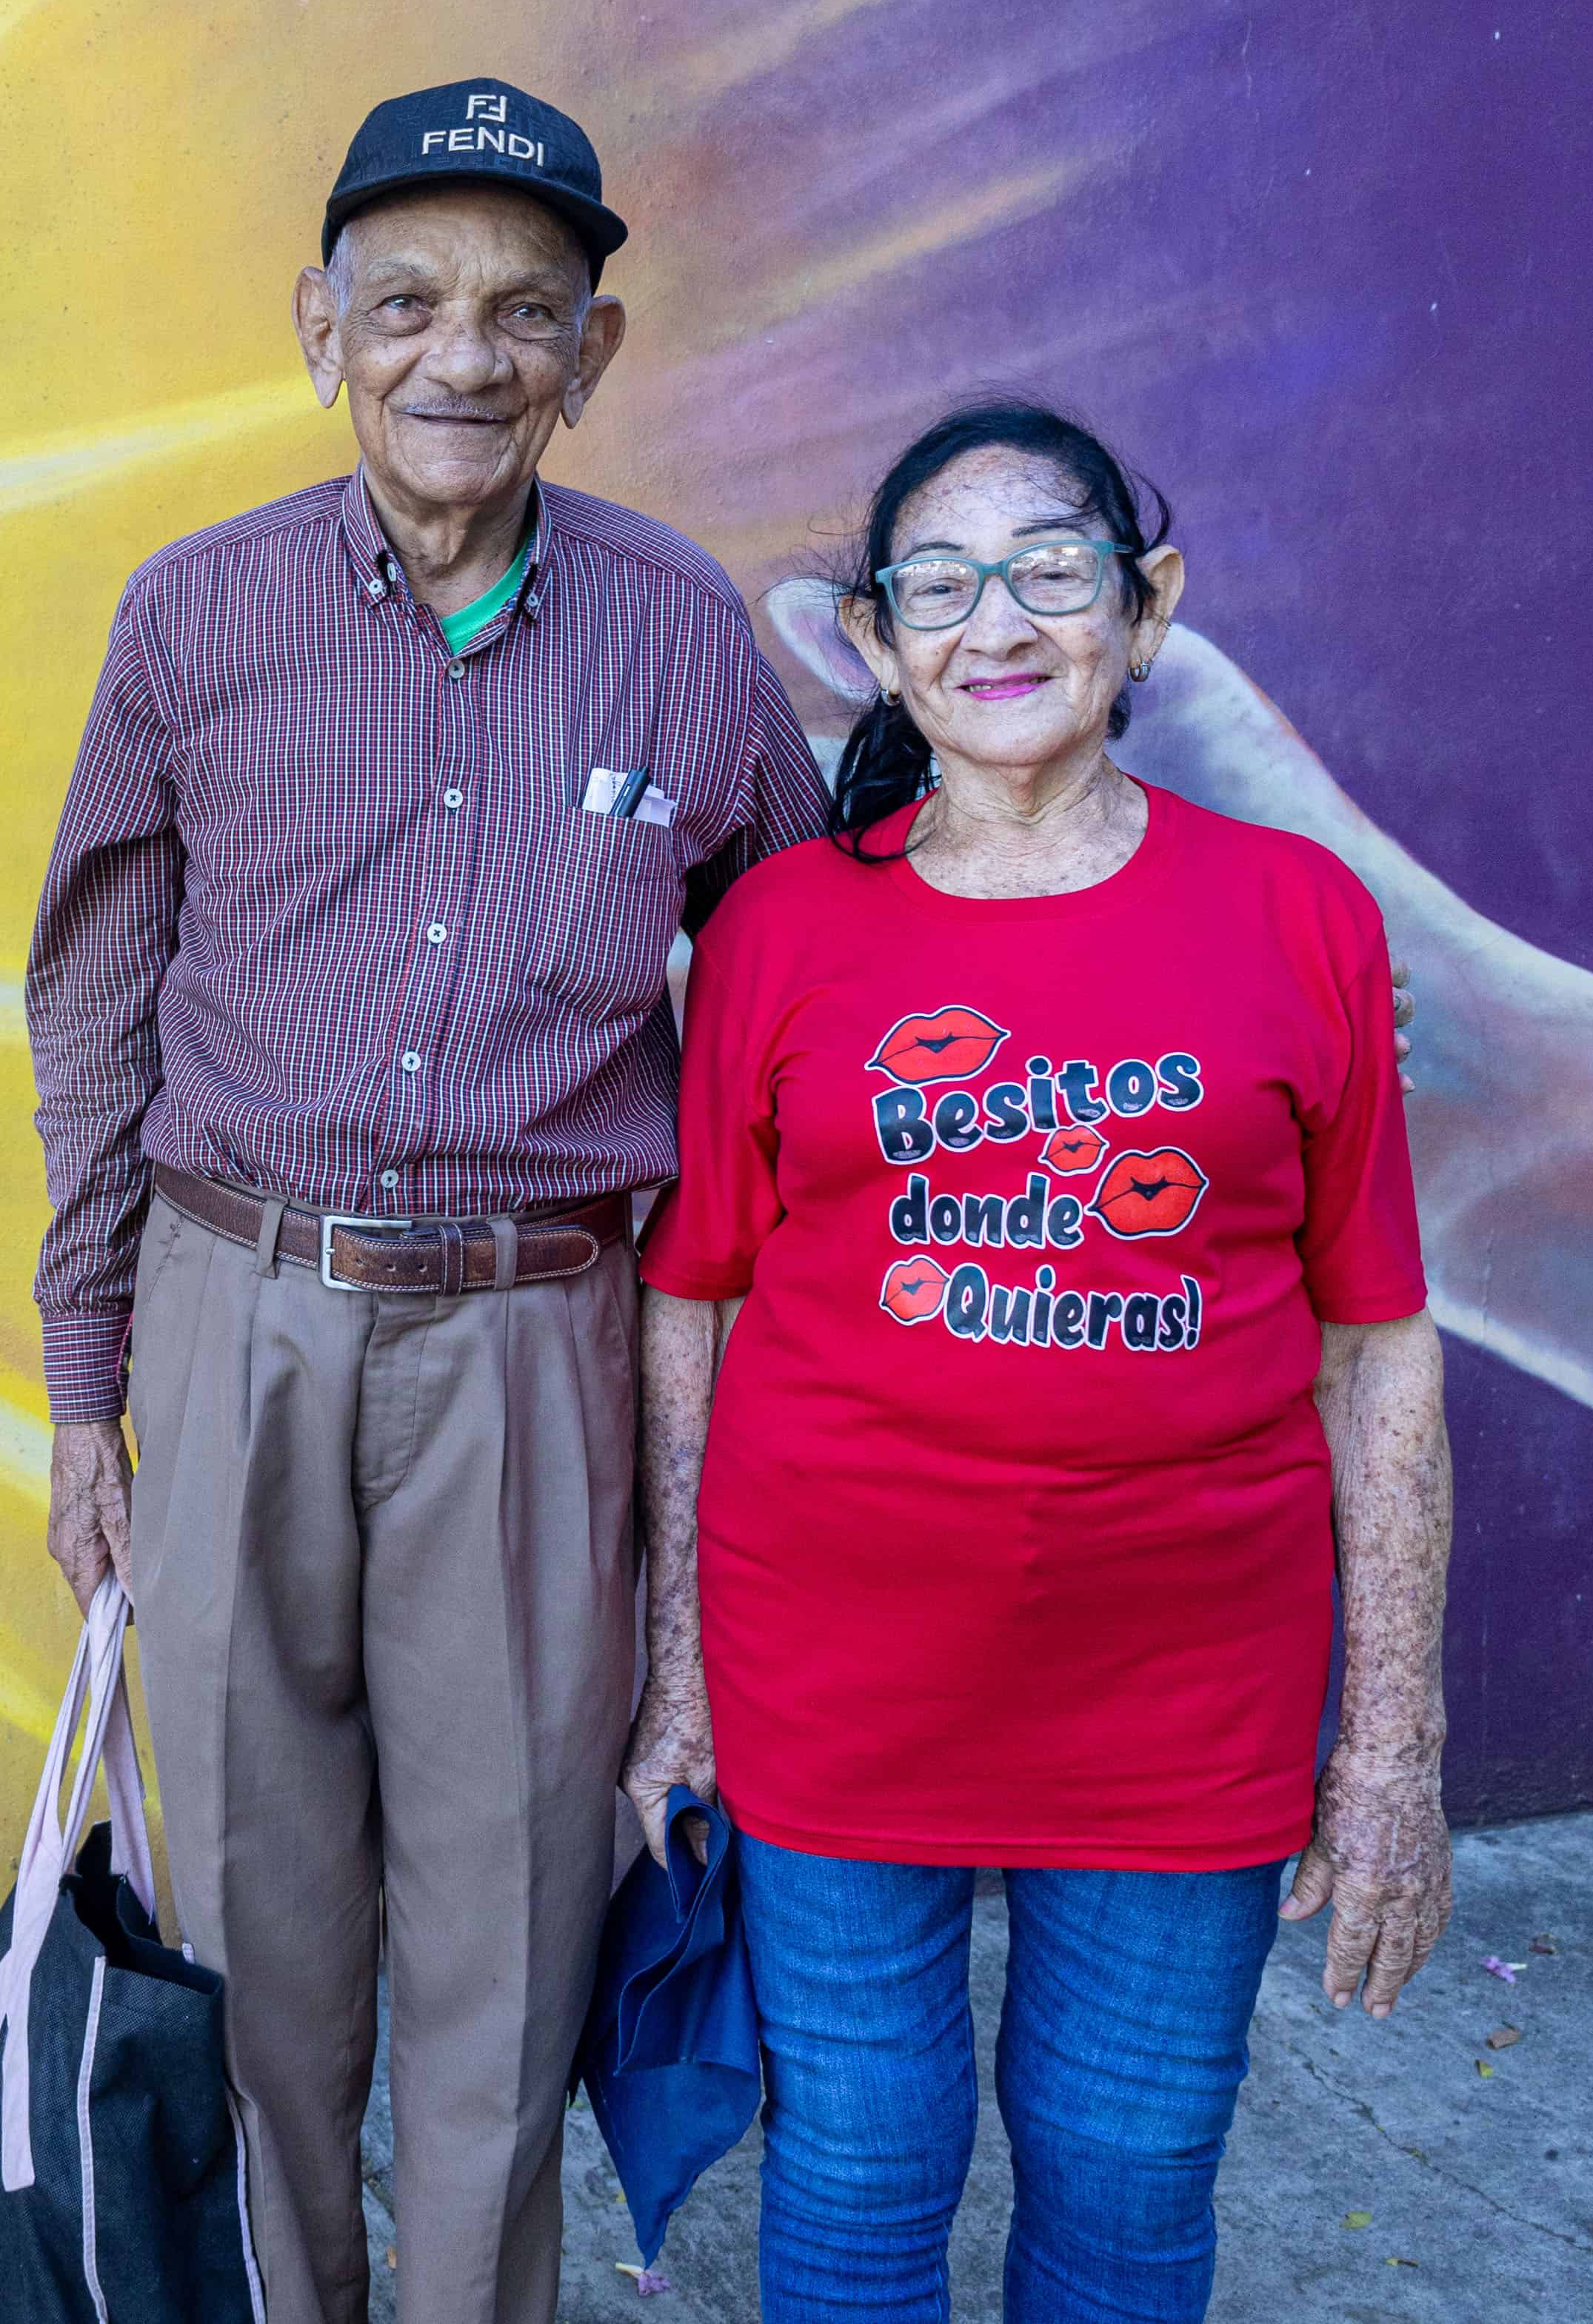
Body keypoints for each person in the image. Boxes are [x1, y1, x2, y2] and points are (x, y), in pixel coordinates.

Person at [22, 78, 829, 2323]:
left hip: (534, 1337)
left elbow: (795, 1018)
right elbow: (93, 1017)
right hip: (235, 1304)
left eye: (521, 312)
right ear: (319, 326)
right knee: (254, 1919)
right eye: (406, 304)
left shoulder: (680, 640)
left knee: (508, 1917)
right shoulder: (195, 621)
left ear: (597, 352)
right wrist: (87, 1383)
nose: (458, 357)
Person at [626, 399, 1454, 2324]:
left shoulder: (1298, 916)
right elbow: (696, 1303)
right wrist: (679, 1682)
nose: (997, 624)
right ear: (874, 645)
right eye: (941, 585)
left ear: (1145, 610)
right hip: (831, 1669)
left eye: (1051, 571)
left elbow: (1378, 1350)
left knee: (1134, 2162)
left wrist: (1391, 1745)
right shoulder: (782, 928)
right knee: (857, 2160)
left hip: (1186, 1687)